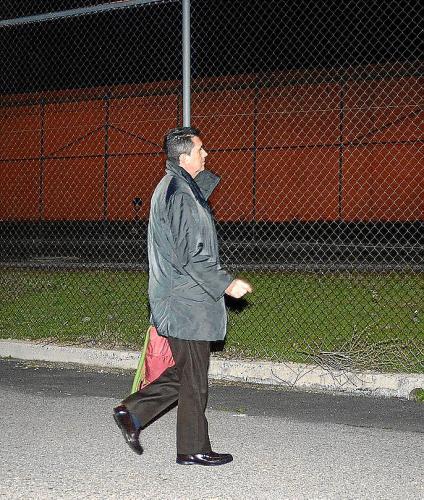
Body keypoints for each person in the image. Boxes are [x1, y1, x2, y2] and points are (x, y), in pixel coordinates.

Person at [113, 127, 252, 466]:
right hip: (185, 300)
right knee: (194, 379)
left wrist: (200, 186)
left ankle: (135, 413)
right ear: (184, 156)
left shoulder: (178, 188)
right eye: (200, 150)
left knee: (189, 374)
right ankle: (191, 447)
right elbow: (190, 254)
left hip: (182, 296)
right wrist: (226, 284)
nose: (206, 154)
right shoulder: (178, 194)